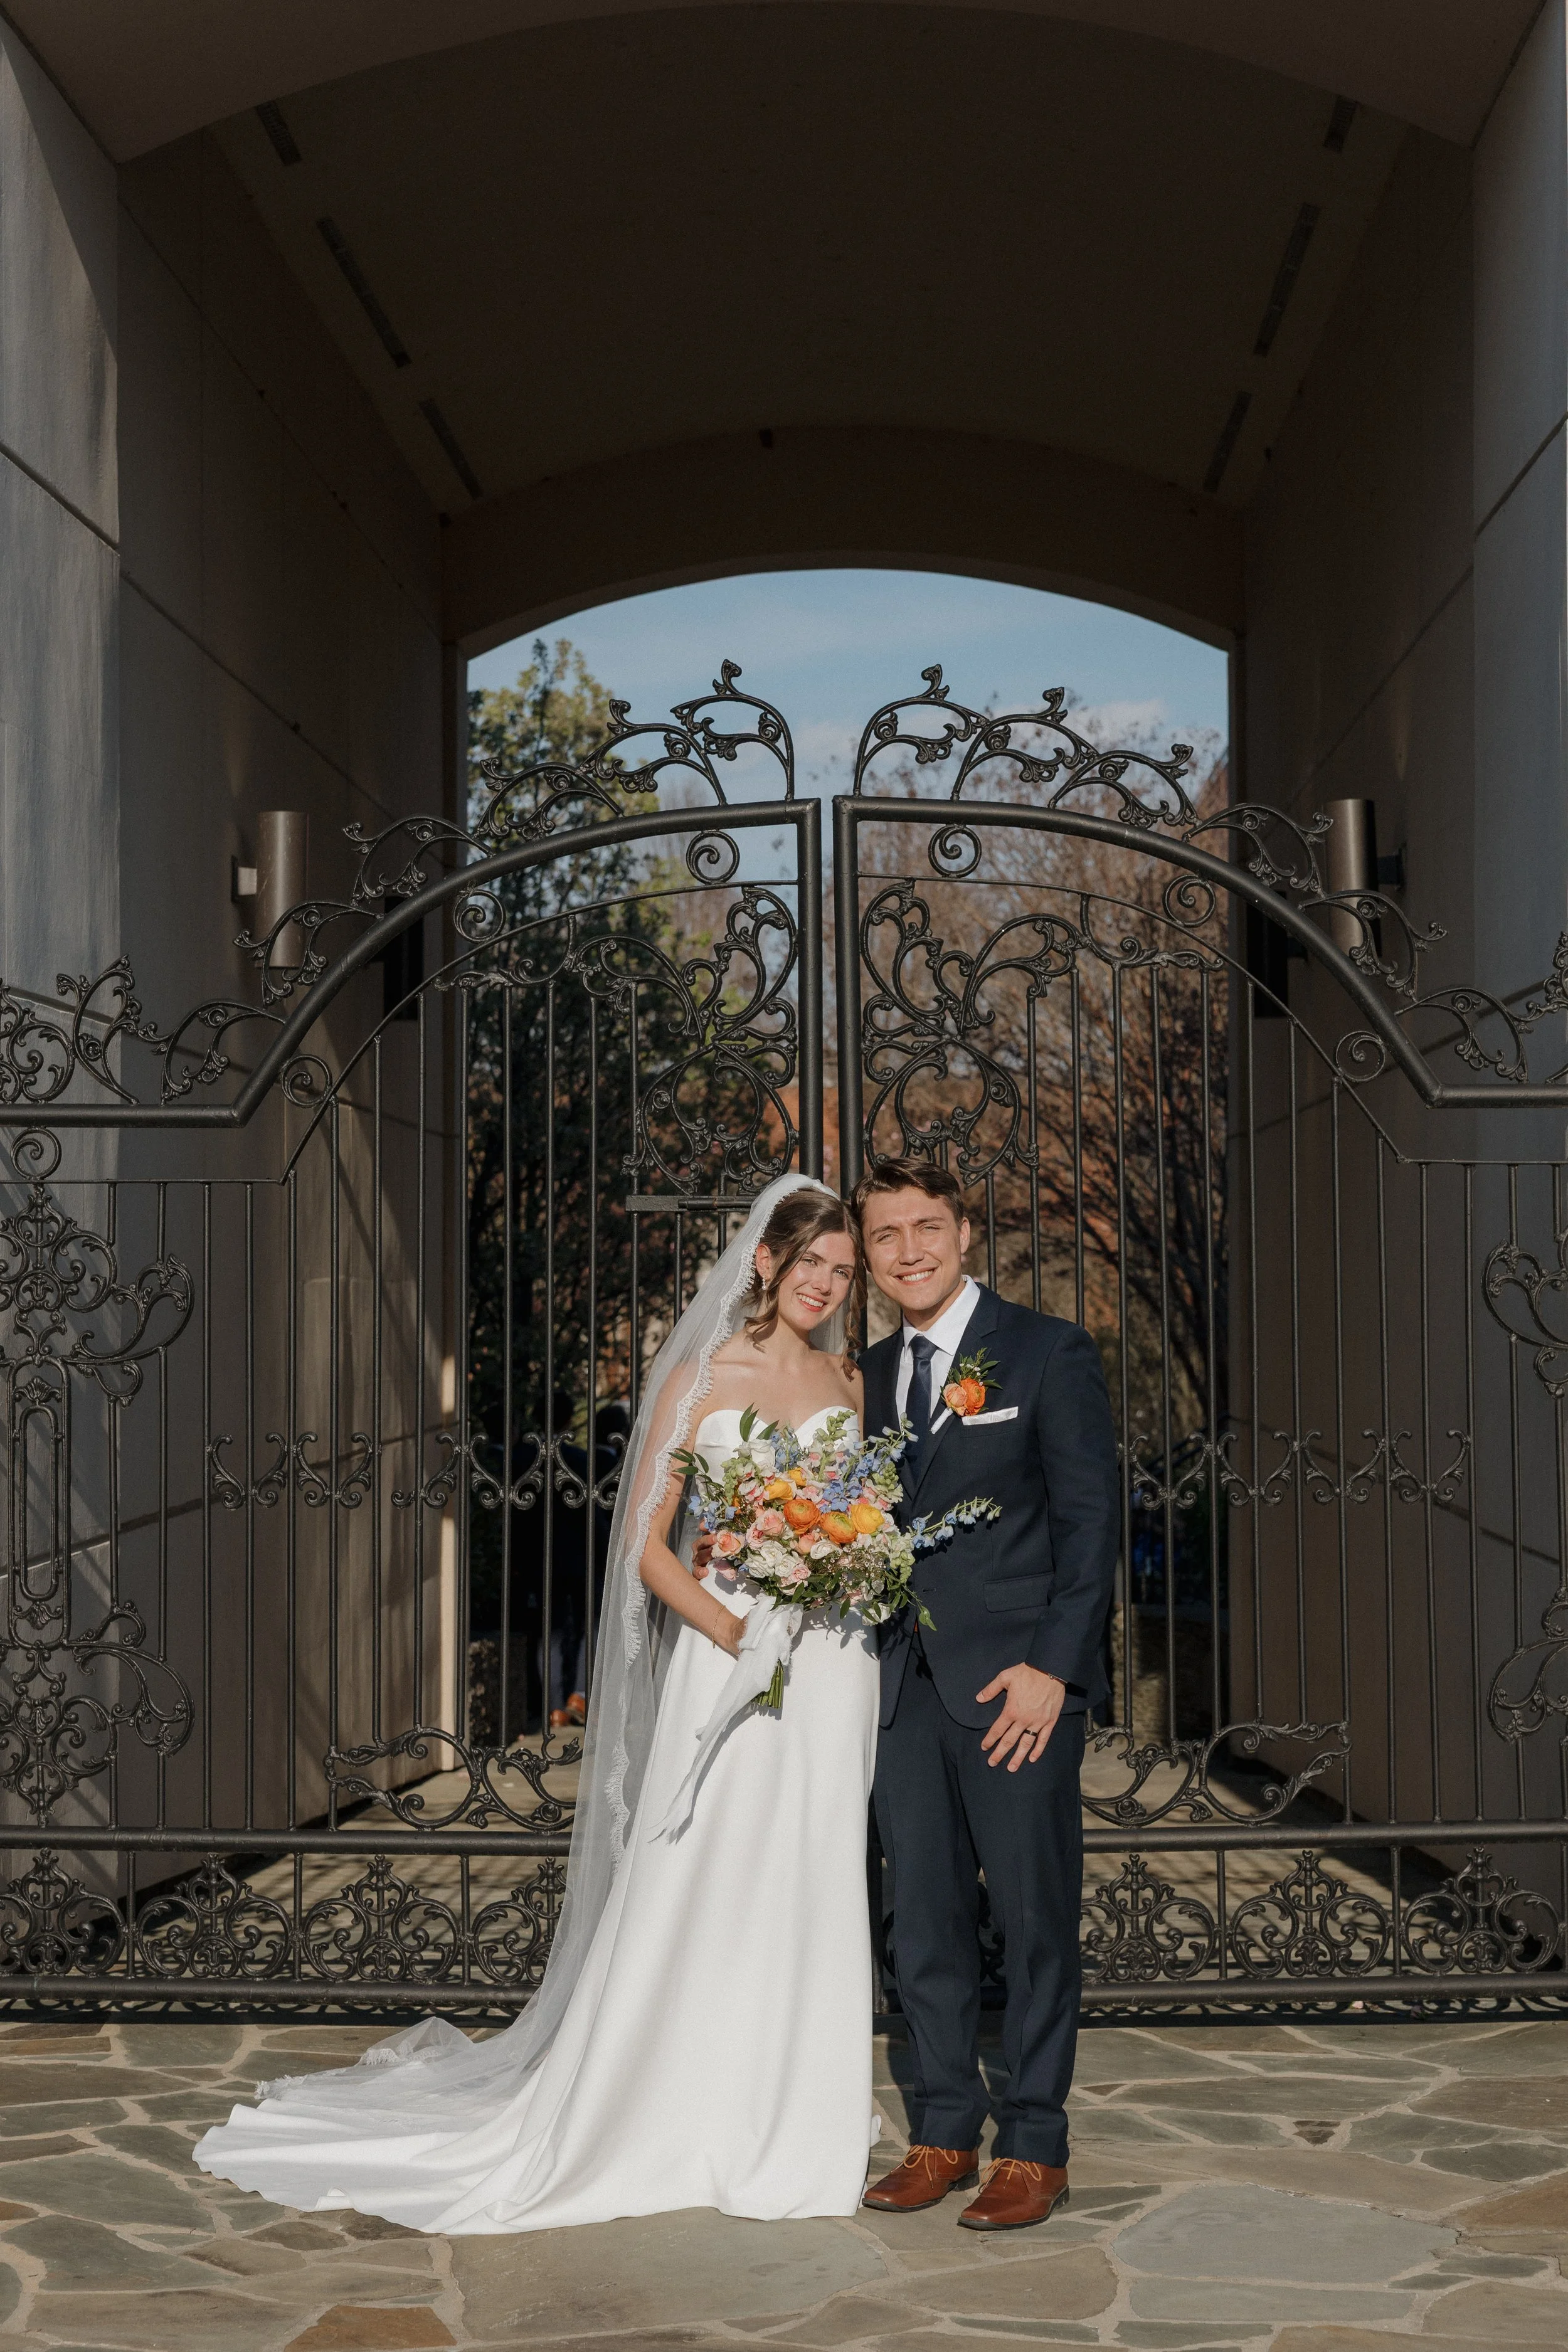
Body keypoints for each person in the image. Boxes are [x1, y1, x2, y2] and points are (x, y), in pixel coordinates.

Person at [193, 1175, 877, 2233]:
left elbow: (859, 1515)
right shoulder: (701, 1378)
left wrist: (850, 1573)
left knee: (812, 1870)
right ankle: (681, 2097)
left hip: (835, 1665)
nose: (826, 1285)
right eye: (812, 1265)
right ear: (767, 1262)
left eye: (842, 1271)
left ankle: (797, 2099)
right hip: (730, 1655)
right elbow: (645, 1550)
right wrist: (737, 1626)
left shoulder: (847, 1382)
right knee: (709, 1868)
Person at [853, 1157, 1119, 2232]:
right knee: (920, 1913)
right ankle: (946, 2128)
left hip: (1017, 1688)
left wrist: (1054, 1670)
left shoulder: (1048, 1350)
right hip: (897, 1689)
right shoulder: (864, 1377)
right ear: (867, 1254)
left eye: (927, 1226)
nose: (908, 1248)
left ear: (966, 1231)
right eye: (884, 1234)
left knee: (1031, 1910)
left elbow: (1090, 1523)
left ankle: (1037, 2144)